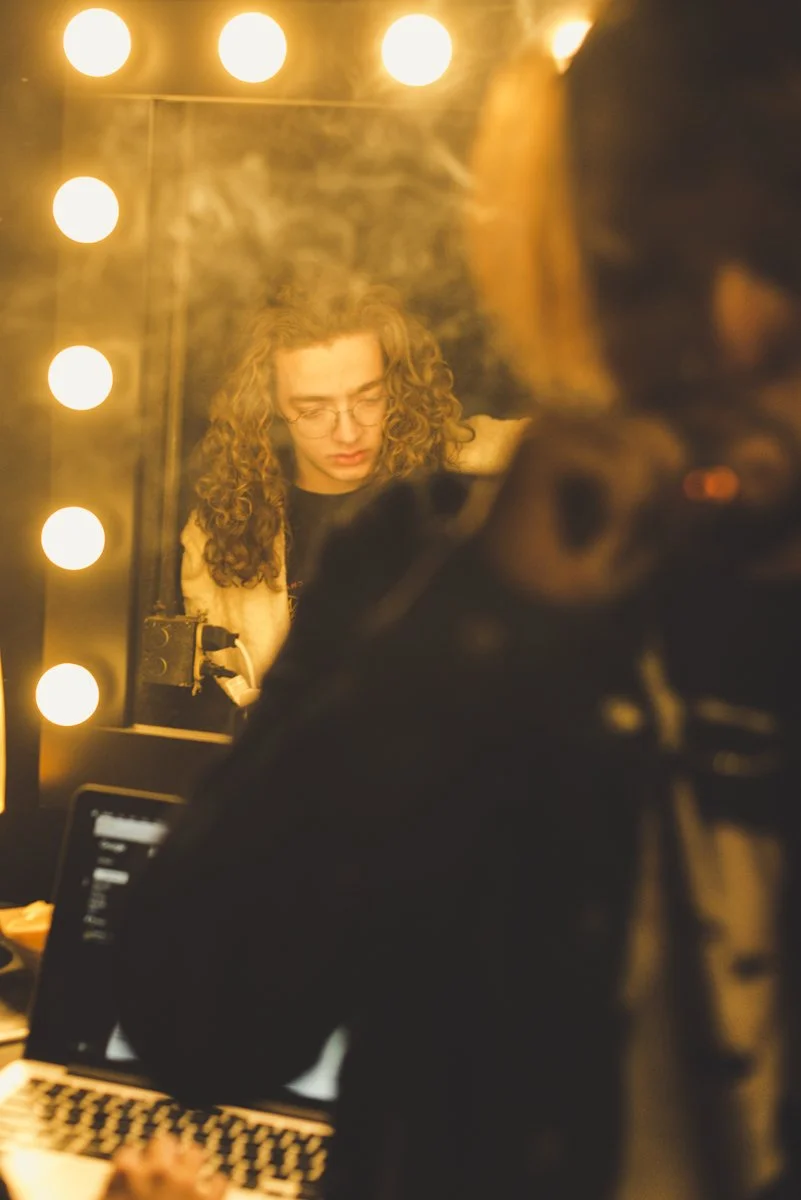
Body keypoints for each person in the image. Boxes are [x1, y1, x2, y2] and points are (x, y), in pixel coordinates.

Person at [116, 0, 801, 1197]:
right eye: (642, 275)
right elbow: (193, 1009)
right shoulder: (439, 553)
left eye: (780, 262)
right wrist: (485, 612)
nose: (716, 334)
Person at [182, 276, 526, 698]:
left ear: (396, 387)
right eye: (313, 410)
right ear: (269, 411)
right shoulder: (222, 535)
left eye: (368, 399)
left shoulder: (501, 465)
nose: (347, 432)